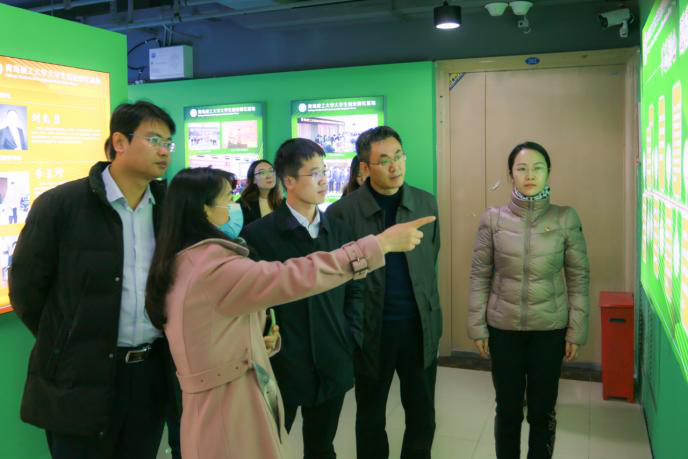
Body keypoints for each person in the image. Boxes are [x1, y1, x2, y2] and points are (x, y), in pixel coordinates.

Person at [143, 166, 435, 459]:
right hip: (227, 409)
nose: (234, 206)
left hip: (224, 399)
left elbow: (210, 333)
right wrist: (380, 244)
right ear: (203, 209)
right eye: (228, 198)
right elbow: (295, 276)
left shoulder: (184, 259)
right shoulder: (214, 267)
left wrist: (254, 341)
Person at [9, 101, 180, 459]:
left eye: (168, 142)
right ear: (119, 142)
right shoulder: (61, 205)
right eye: (154, 140)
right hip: (80, 376)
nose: (164, 151)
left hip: (149, 375)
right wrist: (67, 339)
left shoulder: (169, 209)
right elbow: (26, 290)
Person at [468, 141, 590, 459]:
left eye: (537, 168)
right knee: (508, 411)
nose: (530, 175)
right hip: (503, 330)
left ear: (548, 173)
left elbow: (578, 278)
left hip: (549, 331)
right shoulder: (493, 219)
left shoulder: (565, 218)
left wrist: (576, 330)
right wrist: (477, 325)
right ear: (511, 174)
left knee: (542, 411)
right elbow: (479, 276)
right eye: (521, 168)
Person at [242, 138, 363, 459]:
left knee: (322, 448)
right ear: (289, 181)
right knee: (267, 447)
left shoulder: (339, 231)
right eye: (314, 173)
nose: (324, 180)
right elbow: (251, 300)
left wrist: (350, 336)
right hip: (281, 364)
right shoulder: (258, 235)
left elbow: (356, 289)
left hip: (332, 358)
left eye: (325, 171)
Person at [327, 126, 441, 459]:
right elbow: (338, 277)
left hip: (419, 327)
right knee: (371, 416)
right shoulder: (343, 213)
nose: (395, 166)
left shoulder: (425, 202)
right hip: (371, 332)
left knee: (422, 415)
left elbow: (431, 258)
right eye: (384, 160)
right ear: (365, 167)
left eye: (399, 156)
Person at [237, 159, 282, 227]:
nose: (269, 176)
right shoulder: (243, 204)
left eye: (271, 171)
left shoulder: (283, 203)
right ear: (253, 180)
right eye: (262, 172)